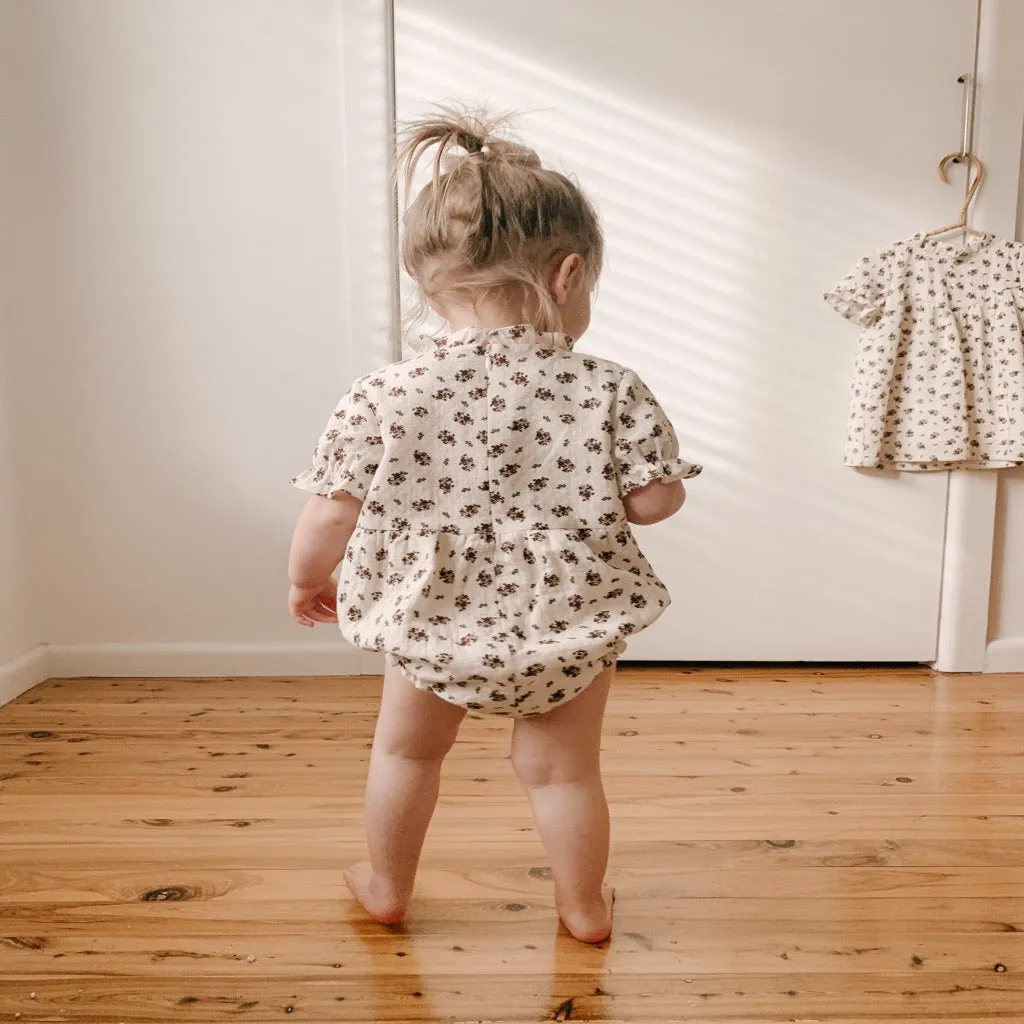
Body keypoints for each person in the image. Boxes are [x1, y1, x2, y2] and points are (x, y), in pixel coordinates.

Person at [287, 109, 700, 943]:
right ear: (570, 273)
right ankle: (583, 907)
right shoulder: (609, 388)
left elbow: (331, 508)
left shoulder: (384, 395)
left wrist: (307, 579)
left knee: (406, 756)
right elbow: (655, 502)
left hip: (431, 618)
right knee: (562, 772)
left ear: (429, 284)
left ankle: (388, 886)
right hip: (566, 623)